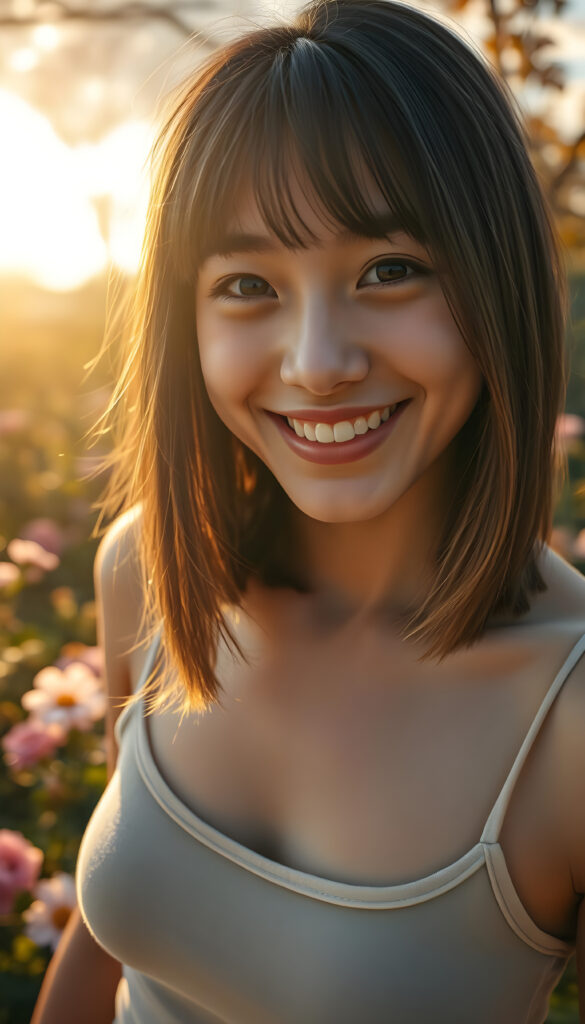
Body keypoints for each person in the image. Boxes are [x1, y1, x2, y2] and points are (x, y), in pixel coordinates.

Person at [31, 1, 585, 1021]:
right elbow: (117, 936)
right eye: (248, 283)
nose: (318, 362)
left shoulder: (567, 716)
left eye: (389, 271)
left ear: (497, 282)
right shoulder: (149, 571)